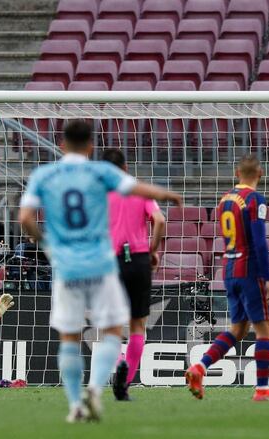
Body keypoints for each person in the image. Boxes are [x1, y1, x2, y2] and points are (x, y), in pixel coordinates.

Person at [18, 120, 182, 423]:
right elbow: (137, 188)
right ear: (90, 146)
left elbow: (25, 217)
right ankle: (95, 388)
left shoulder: (44, 174)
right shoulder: (101, 172)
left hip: (67, 265)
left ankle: (74, 405)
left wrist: (46, 242)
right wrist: (167, 194)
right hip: (102, 262)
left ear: (62, 145)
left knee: (70, 337)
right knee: (114, 330)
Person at [184, 153, 269, 402]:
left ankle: (200, 367)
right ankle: (262, 390)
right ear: (260, 174)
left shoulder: (225, 200)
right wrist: (268, 278)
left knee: (238, 330)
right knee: (264, 330)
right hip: (250, 269)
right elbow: (259, 242)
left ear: (236, 173)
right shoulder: (255, 200)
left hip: (229, 269)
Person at [102, 148, 167, 401]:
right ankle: (124, 386)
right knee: (138, 324)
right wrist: (152, 251)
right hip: (139, 260)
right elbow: (159, 220)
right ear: (126, 168)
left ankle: (118, 362)